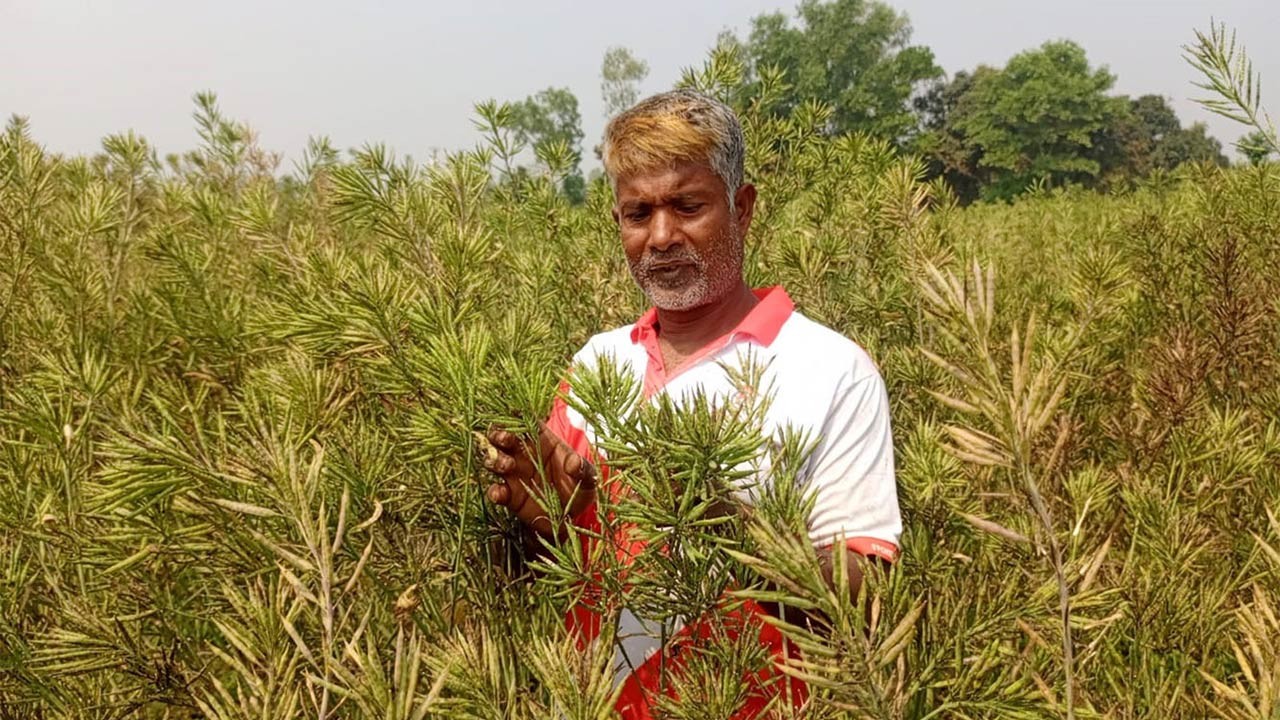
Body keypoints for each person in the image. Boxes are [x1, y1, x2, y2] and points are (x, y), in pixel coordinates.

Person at [482, 89, 902, 719]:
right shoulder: (598, 361)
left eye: (687, 206)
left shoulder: (833, 370)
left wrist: (722, 525)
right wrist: (547, 513)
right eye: (637, 213)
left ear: (742, 207)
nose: (660, 236)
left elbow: (867, 586)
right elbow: (564, 551)